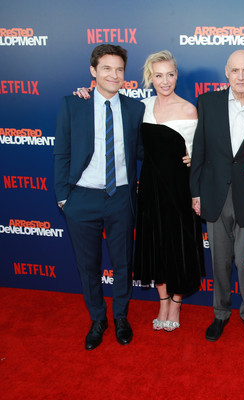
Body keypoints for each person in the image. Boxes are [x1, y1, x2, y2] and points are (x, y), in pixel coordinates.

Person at [54, 44, 145, 350]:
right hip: (82, 198)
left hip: (121, 197)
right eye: (106, 68)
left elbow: (144, 150)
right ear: (93, 71)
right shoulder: (73, 104)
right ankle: (97, 319)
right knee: (88, 266)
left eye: (119, 69)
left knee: (123, 264)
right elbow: (62, 152)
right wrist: (64, 198)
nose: (114, 75)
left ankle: (120, 317)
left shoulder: (135, 109)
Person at [189, 50, 244, 342]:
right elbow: (199, 150)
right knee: (220, 262)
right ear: (227, 72)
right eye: (235, 70)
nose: (241, 77)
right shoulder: (207, 102)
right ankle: (220, 312)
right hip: (214, 193)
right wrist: (195, 192)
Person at [133, 50, 205, 332]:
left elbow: (199, 152)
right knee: (156, 244)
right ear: (150, 78)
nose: (165, 81)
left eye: (170, 75)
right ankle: (162, 300)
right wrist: (85, 94)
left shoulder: (189, 110)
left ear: (177, 76)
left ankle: (176, 302)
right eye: (158, 75)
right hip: (150, 188)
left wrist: (194, 157)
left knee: (179, 245)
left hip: (179, 190)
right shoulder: (141, 107)